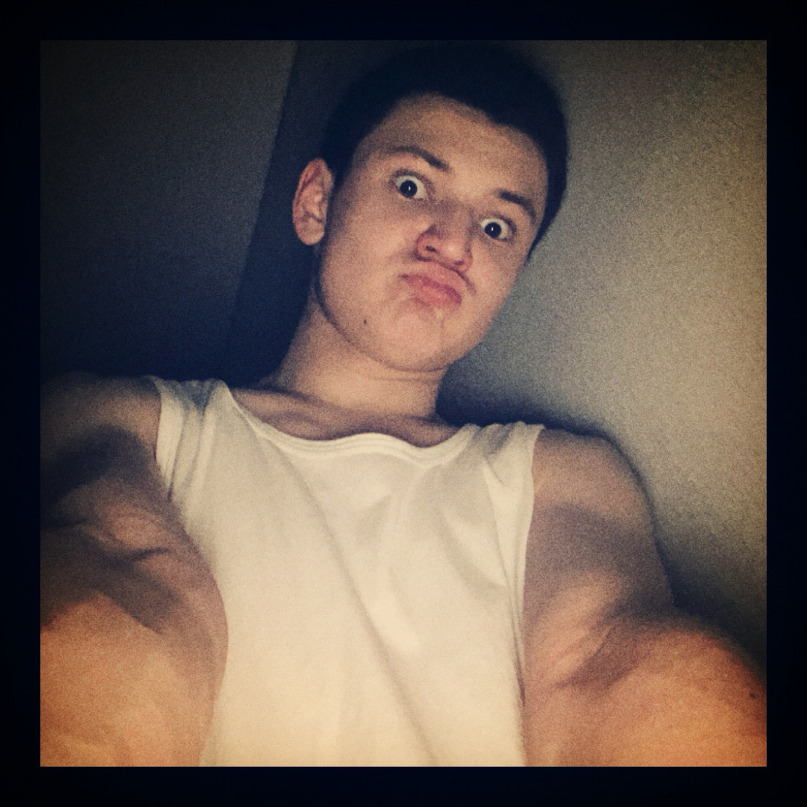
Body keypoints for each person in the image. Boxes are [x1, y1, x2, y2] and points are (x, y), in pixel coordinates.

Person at [40, 43, 766, 766]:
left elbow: (610, 657)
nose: (453, 242)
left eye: (497, 226)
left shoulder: (561, 476)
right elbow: (117, 581)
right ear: (317, 203)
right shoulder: (124, 420)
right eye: (413, 186)